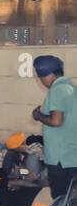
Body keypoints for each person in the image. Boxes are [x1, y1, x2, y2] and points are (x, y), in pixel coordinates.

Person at [32, 55, 77, 197]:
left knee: (60, 200)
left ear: (48, 75)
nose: (41, 81)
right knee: (71, 200)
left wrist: (38, 116)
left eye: (40, 78)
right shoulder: (71, 87)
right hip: (72, 156)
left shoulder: (58, 89)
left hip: (61, 159)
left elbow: (56, 121)